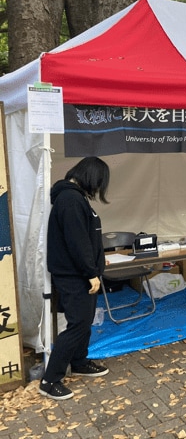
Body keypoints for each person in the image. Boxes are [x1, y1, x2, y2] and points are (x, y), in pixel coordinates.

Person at [40, 157, 111, 400]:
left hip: (81, 272)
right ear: (91, 177)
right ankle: (50, 380)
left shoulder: (75, 197)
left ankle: (79, 361)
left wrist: (99, 261)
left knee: (85, 319)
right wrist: (90, 272)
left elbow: (86, 239)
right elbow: (76, 242)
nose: (100, 188)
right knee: (78, 324)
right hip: (74, 275)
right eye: (100, 182)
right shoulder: (70, 200)